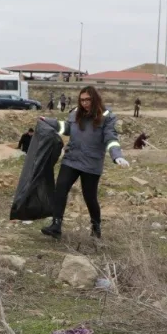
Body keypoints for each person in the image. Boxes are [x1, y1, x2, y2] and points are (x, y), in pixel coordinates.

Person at [40, 86, 130, 239]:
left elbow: (111, 138)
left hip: (91, 163)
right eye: (82, 100)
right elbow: (67, 128)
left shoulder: (107, 117)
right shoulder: (75, 113)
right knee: (60, 189)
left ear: (95, 99)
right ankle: (56, 225)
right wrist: (49, 122)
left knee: (90, 197)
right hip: (72, 158)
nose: (85, 103)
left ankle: (96, 228)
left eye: (88, 99)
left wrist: (117, 156)